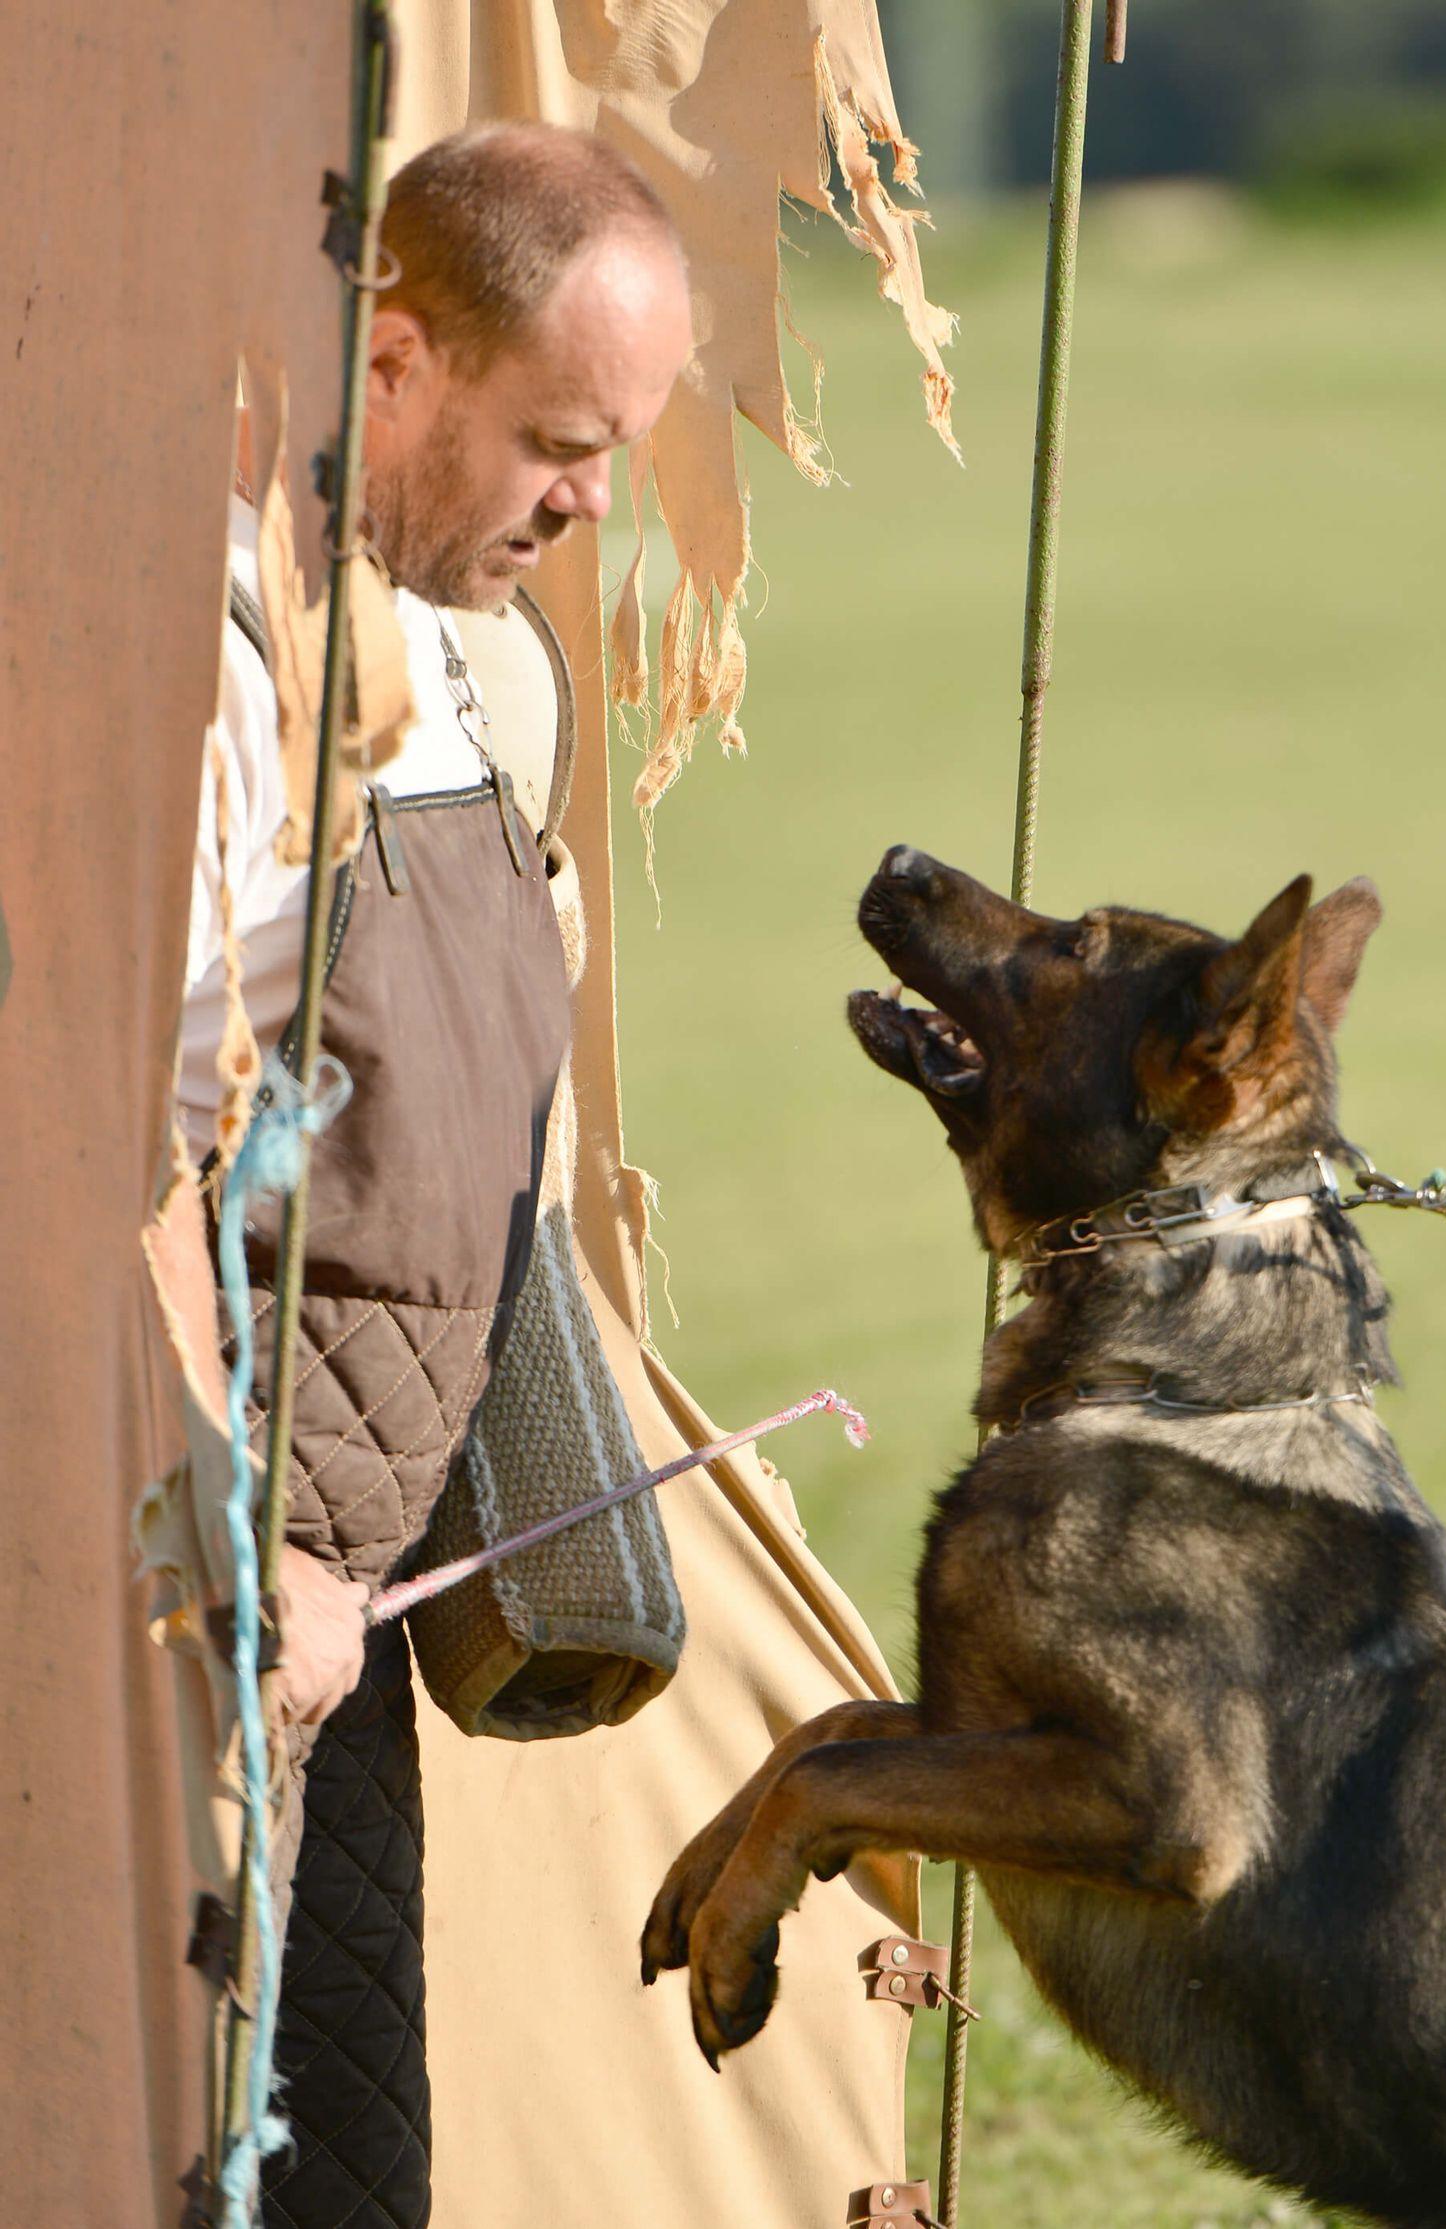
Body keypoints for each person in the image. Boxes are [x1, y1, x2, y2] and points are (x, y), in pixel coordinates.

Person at [180, 121, 692, 2228]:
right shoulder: (213, 666)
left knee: (345, 2184)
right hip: (188, 1610)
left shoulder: (484, 663)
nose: (584, 506)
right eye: (554, 440)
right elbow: (112, 1182)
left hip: (353, 1635)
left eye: (617, 452)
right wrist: (231, 1531)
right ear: (389, 363)